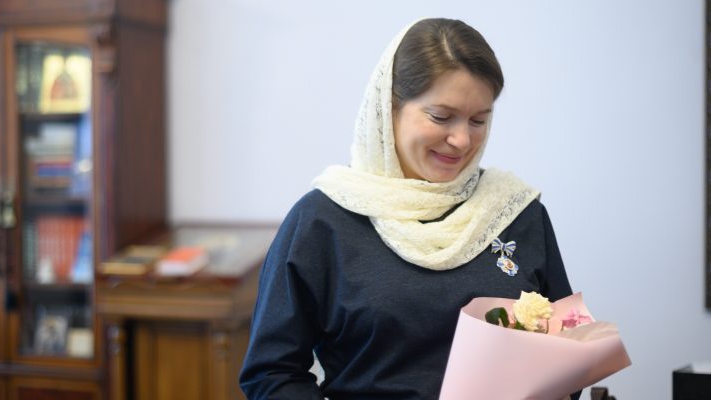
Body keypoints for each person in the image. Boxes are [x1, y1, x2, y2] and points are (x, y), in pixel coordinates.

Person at [239, 18, 578, 400]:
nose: (462, 139)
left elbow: (571, 349)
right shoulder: (321, 221)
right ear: (389, 108)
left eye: (478, 120)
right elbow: (271, 374)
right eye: (441, 117)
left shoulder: (517, 212)